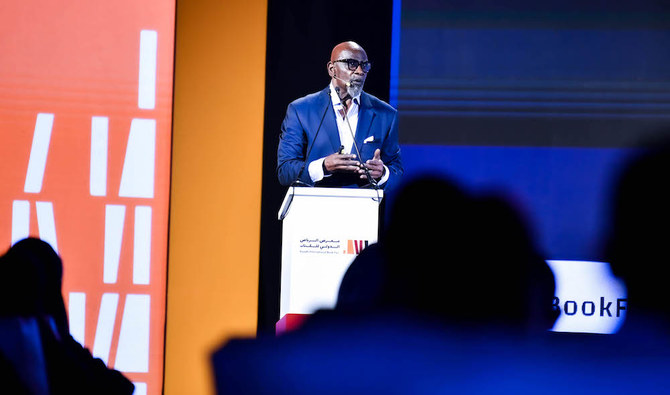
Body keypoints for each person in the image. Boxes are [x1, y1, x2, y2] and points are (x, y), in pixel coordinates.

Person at [277, 41, 403, 189]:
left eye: (364, 65)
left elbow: (396, 172)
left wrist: (382, 173)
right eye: (351, 64)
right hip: (314, 207)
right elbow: (285, 171)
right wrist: (323, 166)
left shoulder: (386, 115)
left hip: (362, 208)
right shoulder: (301, 110)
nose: (360, 71)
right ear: (332, 69)